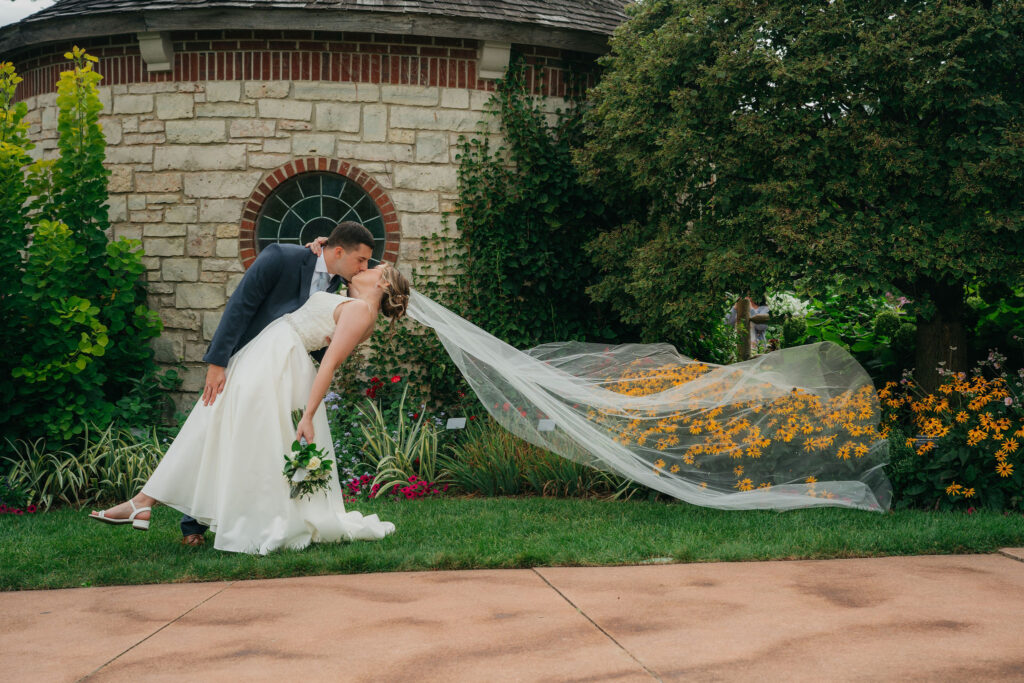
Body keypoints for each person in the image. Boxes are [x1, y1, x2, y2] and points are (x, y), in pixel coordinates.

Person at [90, 268, 411, 557]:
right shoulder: (355, 305)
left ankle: (146, 502)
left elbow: (329, 365)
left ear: (382, 281)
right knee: (216, 423)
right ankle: (145, 502)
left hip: (281, 365)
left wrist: (309, 415)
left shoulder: (359, 312)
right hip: (272, 355)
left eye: (373, 266)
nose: (364, 267)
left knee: (221, 425)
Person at [178, 221, 374, 546]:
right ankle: (193, 524)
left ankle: (264, 517)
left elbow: (375, 274)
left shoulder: (341, 281)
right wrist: (217, 363)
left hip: (287, 375)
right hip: (248, 363)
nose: (365, 267)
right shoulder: (280, 257)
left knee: (268, 446)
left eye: (367, 263)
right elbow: (240, 305)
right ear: (338, 251)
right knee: (220, 434)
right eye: (361, 261)